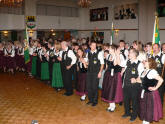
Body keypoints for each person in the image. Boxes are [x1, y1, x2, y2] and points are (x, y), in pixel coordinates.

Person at [137, 58, 163, 124]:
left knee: (148, 110)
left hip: (149, 94)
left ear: (150, 63)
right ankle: (144, 121)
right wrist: (136, 80)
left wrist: (155, 88)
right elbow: (143, 81)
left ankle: (146, 122)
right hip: (143, 92)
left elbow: (161, 80)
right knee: (143, 109)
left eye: (146, 61)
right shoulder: (144, 71)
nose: (143, 61)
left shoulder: (152, 71)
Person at [122, 48, 144, 122]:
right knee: (126, 100)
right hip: (126, 84)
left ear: (134, 54)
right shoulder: (127, 61)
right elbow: (124, 68)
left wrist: (136, 79)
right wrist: (122, 72)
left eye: (130, 52)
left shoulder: (139, 63)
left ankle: (134, 115)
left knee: (134, 101)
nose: (128, 54)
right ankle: (127, 112)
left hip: (134, 86)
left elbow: (141, 75)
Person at [101, 46, 123, 112]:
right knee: (108, 90)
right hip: (109, 75)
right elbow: (107, 65)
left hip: (114, 76)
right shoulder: (108, 56)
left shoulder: (116, 56)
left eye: (110, 48)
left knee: (112, 90)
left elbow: (116, 64)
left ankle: (113, 106)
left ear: (113, 49)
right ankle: (110, 105)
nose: (108, 49)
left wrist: (116, 54)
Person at [86, 41, 104, 106]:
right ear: (90, 46)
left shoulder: (99, 53)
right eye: (93, 45)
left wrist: (100, 72)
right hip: (89, 72)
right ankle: (90, 100)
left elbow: (102, 64)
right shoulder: (88, 53)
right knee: (88, 87)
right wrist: (85, 63)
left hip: (96, 72)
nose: (94, 46)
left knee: (94, 87)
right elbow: (88, 62)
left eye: (95, 45)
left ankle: (95, 101)